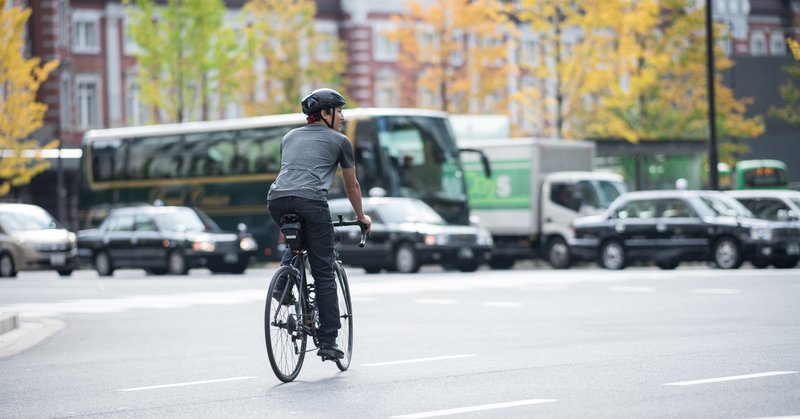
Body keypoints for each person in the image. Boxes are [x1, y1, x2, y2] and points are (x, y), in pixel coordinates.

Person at [267, 88, 372, 360]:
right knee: (324, 271)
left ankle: (283, 281)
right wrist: (362, 217)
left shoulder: (288, 137)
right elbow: (353, 186)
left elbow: (292, 172)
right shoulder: (340, 141)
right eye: (339, 111)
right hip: (311, 201)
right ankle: (328, 341)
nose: (343, 116)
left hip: (277, 198)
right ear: (325, 114)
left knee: (298, 241)